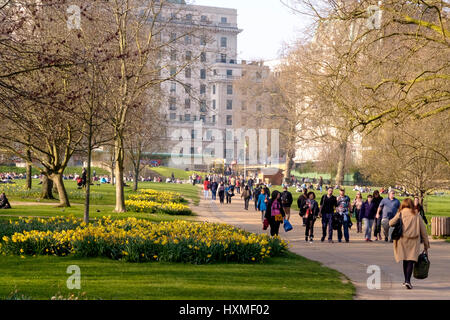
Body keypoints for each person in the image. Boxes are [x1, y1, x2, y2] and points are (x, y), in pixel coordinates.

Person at [389, 198, 430, 290]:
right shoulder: (416, 214)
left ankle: (406, 280)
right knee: (411, 260)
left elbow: (391, 223)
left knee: (405, 260)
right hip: (414, 241)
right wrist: (426, 245)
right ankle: (408, 281)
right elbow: (423, 231)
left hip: (402, 240)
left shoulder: (401, 213)